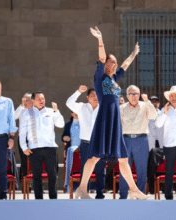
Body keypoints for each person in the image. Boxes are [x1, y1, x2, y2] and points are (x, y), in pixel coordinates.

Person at [74, 26, 146, 200]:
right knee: (93, 157)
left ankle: (134, 189)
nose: (113, 64)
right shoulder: (100, 77)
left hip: (114, 123)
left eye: (114, 62)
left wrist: (134, 54)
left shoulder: (114, 78)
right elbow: (101, 56)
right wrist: (100, 39)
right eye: (110, 62)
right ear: (104, 64)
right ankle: (82, 189)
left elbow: (125, 65)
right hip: (104, 120)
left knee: (122, 158)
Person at [19, 91, 64, 199]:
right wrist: (24, 147)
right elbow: (22, 132)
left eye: (43, 99)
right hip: (34, 149)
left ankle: (53, 199)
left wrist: (56, 111)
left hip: (50, 148)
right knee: (36, 176)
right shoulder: (26, 113)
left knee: (52, 175)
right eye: (38, 99)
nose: (41, 101)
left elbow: (61, 124)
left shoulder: (50, 111)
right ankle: (39, 200)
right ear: (33, 101)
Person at [66, 85, 106, 199]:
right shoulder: (82, 107)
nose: (95, 97)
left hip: (100, 143)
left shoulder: (103, 108)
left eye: (97, 95)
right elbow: (69, 103)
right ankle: (84, 192)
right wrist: (78, 91)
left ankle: (100, 194)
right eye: (92, 95)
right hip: (86, 144)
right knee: (85, 169)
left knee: (100, 170)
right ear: (87, 97)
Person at [119, 85, 157, 199]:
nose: (133, 96)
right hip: (125, 139)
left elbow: (153, 115)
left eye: (136, 94)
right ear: (127, 96)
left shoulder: (145, 105)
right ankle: (123, 195)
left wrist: (147, 101)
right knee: (124, 168)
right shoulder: (121, 108)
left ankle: (140, 194)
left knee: (141, 168)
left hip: (141, 139)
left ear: (139, 95)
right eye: (131, 94)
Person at [147, 95, 164, 194]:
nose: (154, 103)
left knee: (160, 166)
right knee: (150, 167)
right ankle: (151, 188)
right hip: (150, 144)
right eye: (152, 101)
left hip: (161, 144)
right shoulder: (145, 113)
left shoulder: (162, 113)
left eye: (156, 101)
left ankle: (161, 187)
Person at [14, 93, 33, 185]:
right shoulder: (21, 109)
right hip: (22, 138)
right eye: (24, 98)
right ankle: (25, 184)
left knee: (34, 160)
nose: (26, 101)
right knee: (24, 160)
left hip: (33, 139)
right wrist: (22, 105)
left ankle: (34, 182)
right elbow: (13, 117)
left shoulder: (35, 109)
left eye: (28, 99)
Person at [62, 112, 80, 193]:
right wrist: (65, 138)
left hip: (82, 150)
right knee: (71, 170)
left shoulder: (84, 123)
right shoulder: (68, 124)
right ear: (72, 113)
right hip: (71, 152)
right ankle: (70, 189)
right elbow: (63, 136)